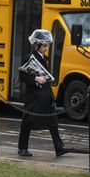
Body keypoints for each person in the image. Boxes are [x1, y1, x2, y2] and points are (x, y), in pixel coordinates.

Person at [17, 29, 73, 157]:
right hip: (34, 97)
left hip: (45, 96)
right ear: (37, 45)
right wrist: (36, 79)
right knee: (27, 122)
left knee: (53, 122)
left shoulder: (43, 58)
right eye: (45, 45)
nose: (47, 47)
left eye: (48, 45)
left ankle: (59, 148)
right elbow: (22, 76)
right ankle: (22, 148)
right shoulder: (29, 58)